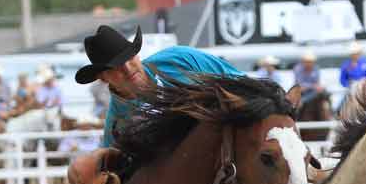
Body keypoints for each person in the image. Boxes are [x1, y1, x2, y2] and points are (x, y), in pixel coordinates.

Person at [75, 25, 243, 147]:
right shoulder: (117, 128)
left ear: (137, 54)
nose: (127, 68)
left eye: (129, 57)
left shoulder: (180, 59)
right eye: (116, 67)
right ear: (104, 78)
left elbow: (243, 84)